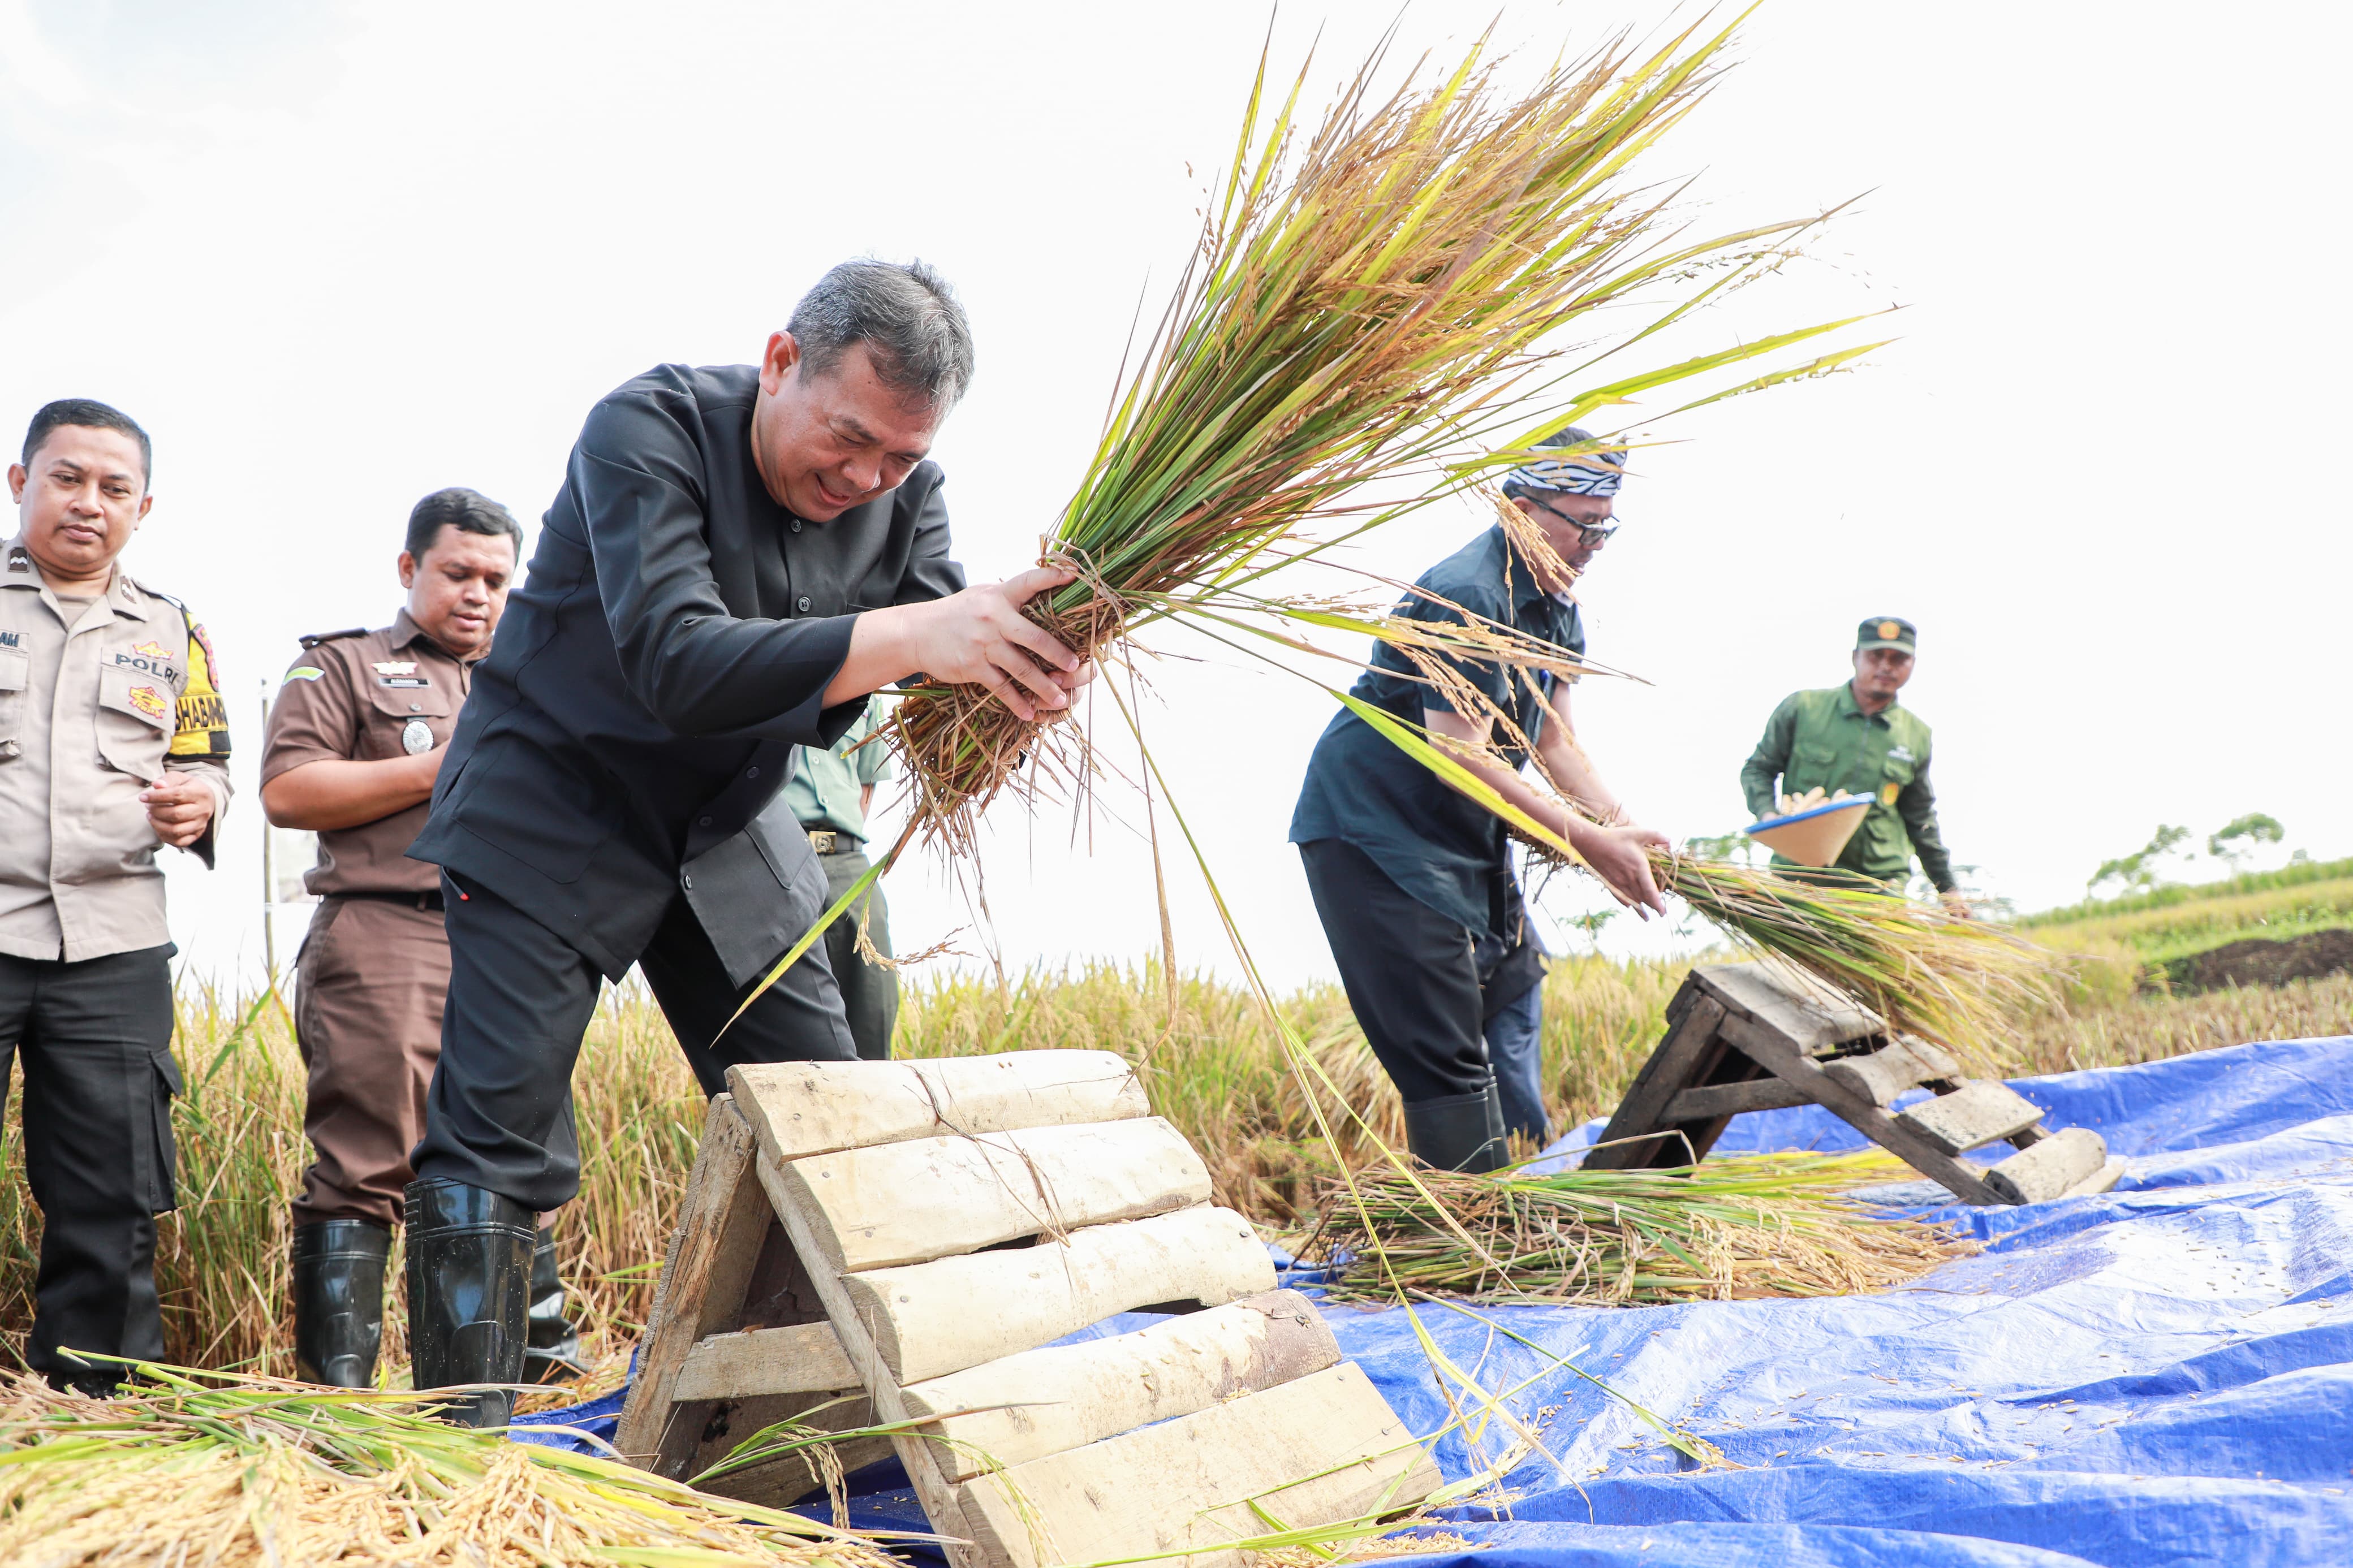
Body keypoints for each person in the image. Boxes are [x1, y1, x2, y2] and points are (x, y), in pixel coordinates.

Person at [403, 259, 1091, 1426]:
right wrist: (919, 629)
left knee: (826, 1116)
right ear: (782, 363)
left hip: (725, 817)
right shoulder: (647, 429)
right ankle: (462, 1460)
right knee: (499, 1128)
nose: (867, 477)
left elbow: (930, 685)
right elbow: (676, 660)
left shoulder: (906, 499)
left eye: (901, 458)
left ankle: (788, 1434)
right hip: (556, 798)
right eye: (850, 437)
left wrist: (1028, 665)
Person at [260, 487, 585, 1388]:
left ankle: (529, 1391)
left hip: (514, 947)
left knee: (520, 1157)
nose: (477, 593)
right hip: (389, 932)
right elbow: (289, 792)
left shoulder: (538, 680)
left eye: (495, 578)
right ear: (410, 570)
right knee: (368, 1162)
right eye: (457, 572)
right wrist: (432, 768)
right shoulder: (346, 667)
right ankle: (347, 1395)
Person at [1288, 428, 1667, 1172]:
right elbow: (1459, 755)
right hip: (1380, 832)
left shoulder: (1557, 607)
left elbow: (1554, 744)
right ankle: (1474, 1244)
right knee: (1446, 1049)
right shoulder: (1469, 595)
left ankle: (1518, 1197)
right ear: (1520, 509)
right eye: (1583, 523)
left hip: (1464, 835)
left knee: (1510, 987)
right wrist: (1586, 845)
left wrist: (1622, 829)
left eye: (1606, 525)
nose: (1595, 543)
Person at [0, 399, 231, 1393]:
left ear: (144, 506)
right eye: (67, 478)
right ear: (21, 483)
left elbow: (209, 756)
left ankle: (92, 1409)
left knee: (112, 1194)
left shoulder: (175, 630)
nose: (88, 503)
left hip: (112, 945)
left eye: (113, 487)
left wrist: (201, 800)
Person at [1739, 617, 1967, 914]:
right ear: (1855, 657)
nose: (1886, 666)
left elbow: (1921, 819)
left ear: (1912, 664)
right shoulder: (1803, 709)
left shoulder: (1916, 735)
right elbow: (1758, 769)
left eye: (1899, 659)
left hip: (1878, 889)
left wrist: (1948, 890)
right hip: (1800, 881)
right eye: (1876, 656)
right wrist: (1769, 816)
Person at [781, 696, 899, 1060]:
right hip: (779, 861)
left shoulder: (873, 695)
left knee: (874, 996)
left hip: (848, 862)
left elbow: (867, 786)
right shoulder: (761, 670)